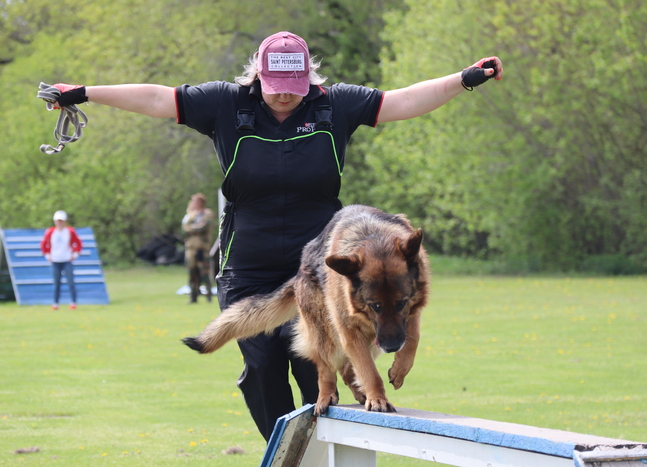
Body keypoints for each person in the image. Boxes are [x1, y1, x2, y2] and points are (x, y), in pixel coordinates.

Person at [44, 31, 503, 440]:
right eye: (275, 87)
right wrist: (84, 93)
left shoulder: (334, 104)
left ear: (309, 80)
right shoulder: (225, 103)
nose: (284, 96)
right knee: (262, 368)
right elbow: (156, 98)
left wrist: (463, 79)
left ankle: (321, 452)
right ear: (257, 76)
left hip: (322, 267)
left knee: (316, 368)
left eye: (293, 88)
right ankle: (283, 450)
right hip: (248, 265)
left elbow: (403, 101)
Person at [40, 210, 82, 310]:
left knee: (71, 282)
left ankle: (73, 303)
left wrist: (74, 255)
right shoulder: (50, 232)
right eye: (58, 221)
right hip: (55, 261)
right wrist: (48, 256)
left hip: (67, 260)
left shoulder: (70, 231)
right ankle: (55, 303)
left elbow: (78, 244)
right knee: (56, 284)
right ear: (55, 221)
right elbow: (43, 245)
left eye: (61, 221)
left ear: (65, 221)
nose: (60, 223)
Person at [182, 192, 215, 303]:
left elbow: (203, 227)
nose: (193, 204)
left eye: (195, 201)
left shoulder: (208, 214)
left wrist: (193, 228)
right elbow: (185, 228)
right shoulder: (191, 215)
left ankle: (209, 296)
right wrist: (194, 227)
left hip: (202, 249)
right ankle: (193, 296)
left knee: (204, 273)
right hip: (190, 249)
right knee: (192, 273)